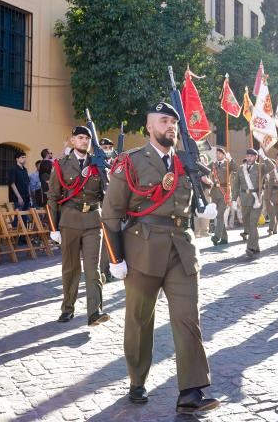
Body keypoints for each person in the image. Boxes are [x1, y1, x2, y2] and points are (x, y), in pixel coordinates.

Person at [100, 102, 219, 412]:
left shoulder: (186, 163)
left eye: (173, 122)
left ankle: (191, 393)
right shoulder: (131, 162)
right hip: (142, 249)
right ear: (149, 126)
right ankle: (137, 380)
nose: (170, 126)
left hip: (181, 248)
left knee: (187, 318)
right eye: (163, 120)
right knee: (139, 321)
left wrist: (204, 207)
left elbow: (195, 198)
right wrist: (115, 258)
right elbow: (111, 212)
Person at [47, 126, 110, 328]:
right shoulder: (61, 165)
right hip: (70, 221)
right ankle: (67, 308)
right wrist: (53, 228)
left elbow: (106, 194)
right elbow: (53, 198)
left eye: (87, 138)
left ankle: (95, 312)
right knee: (71, 269)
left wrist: (106, 172)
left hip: (93, 220)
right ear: (72, 141)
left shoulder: (98, 164)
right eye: (80, 138)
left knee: (93, 269)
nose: (84, 141)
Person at [231, 147, 274, 257]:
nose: (249, 158)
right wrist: (234, 199)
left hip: (256, 199)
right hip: (244, 199)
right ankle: (256, 246)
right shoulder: (241, 169)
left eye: (252, 156)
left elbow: (271, 167)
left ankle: (250, 247)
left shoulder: (260, 167)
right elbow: (236, 185)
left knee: (253, 223)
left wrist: (264, 157)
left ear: (256, 157)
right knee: (247, 225)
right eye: (248, 156)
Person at [209, 147, 236, 246]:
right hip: (215, 192)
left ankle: (216, 236)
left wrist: (231, 159)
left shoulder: (228, 164)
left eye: (219, 154)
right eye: (216, 154)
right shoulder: (213, 164)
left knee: (220, 214)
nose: (217, 155)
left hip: (224, 192)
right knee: (217, 215)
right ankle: (224, 239)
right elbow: (204, 169)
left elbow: (236, 169)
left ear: (223, 155)